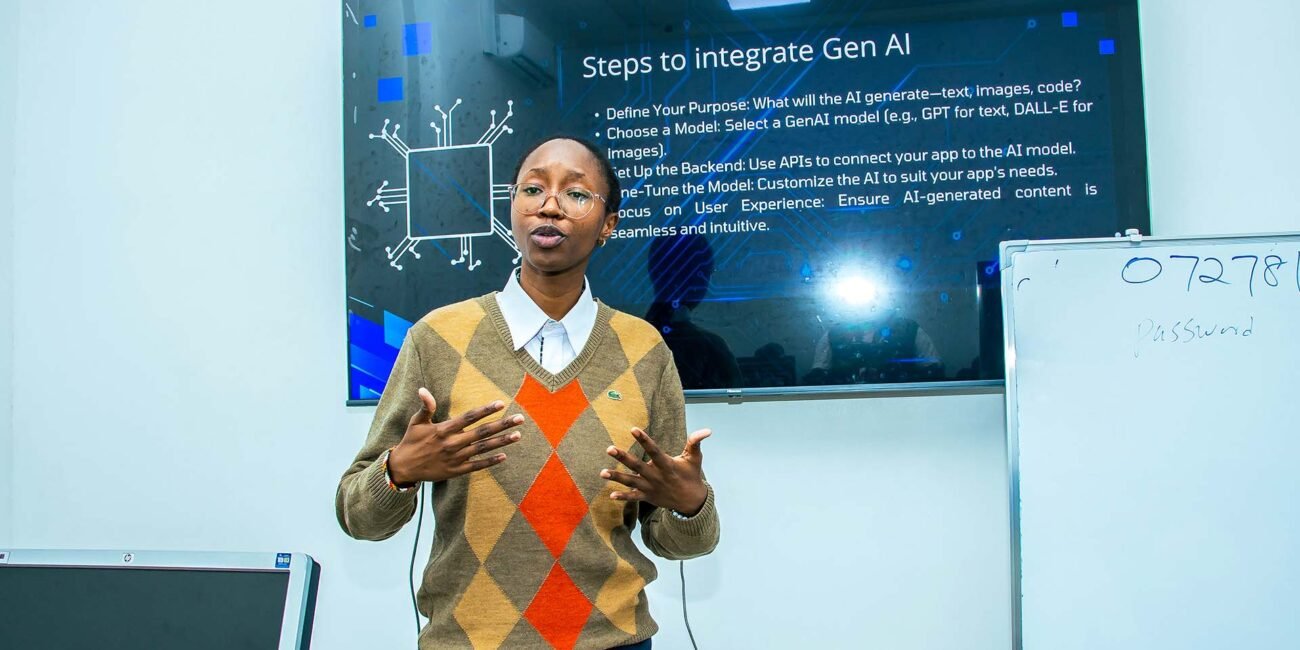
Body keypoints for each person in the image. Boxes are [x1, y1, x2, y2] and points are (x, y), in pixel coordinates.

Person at [336, 136, 720, 650]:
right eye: (533, 189)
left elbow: (679, 541)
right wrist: (397, 471)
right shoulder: (437, 339)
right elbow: (358, 516)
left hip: (614, 643)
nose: (550, 205)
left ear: (608, 225)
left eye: (576, 194)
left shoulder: (644, 350)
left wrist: (691, 504)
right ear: (513, 207)